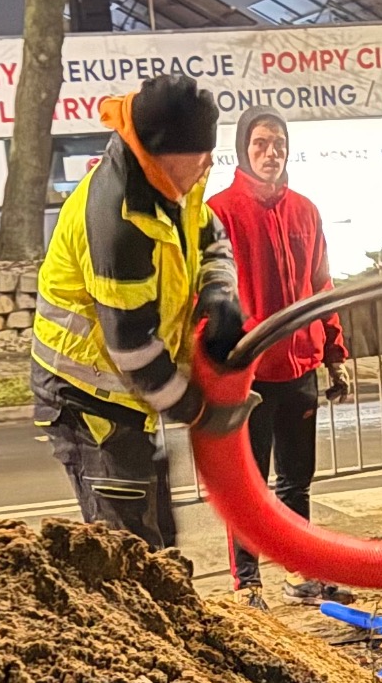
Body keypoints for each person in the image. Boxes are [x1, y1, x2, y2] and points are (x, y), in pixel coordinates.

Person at [30, 74, 243, 549]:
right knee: (130, 547)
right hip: (88, 398)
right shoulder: (117, 221)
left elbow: (214, 241)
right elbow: (130, 347)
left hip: (127, 396)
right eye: (199, 156)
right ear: (160, 155)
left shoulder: (174, 182)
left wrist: (218, 296)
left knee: (157, 531)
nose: (208, 163)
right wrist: (196, 408)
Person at [207, 106, 351, 605]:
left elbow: (322, 287)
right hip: (250, 373)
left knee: (296, 481)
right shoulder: (220, 213)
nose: (271, 153)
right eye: (261, 144)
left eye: (279, 144)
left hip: (300, 368)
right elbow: (208, 298)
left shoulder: (305, 211)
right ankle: (247, 583)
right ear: (243, 149)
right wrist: (219, 367)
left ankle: (303, 570)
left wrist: (334, 353)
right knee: (249, 487)